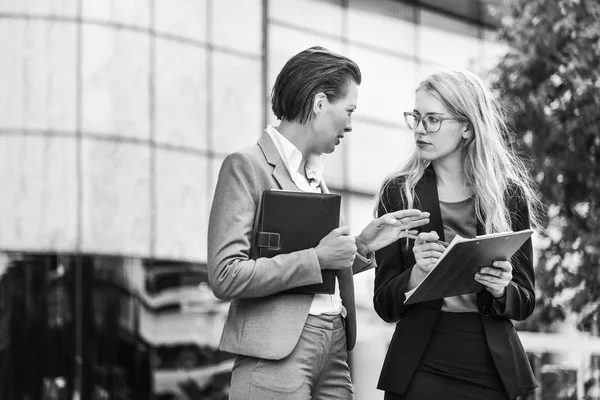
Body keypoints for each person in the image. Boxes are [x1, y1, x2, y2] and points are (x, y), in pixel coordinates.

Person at [207, 46, 430, 400]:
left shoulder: (314, 177)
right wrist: (317, 258)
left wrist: (363, 246)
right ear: (320, 102)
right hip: (275, 353)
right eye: (349, 110)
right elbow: (225, 274)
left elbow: (321, 262)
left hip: (335, 344)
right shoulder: (246, 166)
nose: (351, 125)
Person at [373, 69, 543, 400]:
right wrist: (416, 274)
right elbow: (384, 304)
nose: (420, 130)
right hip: (420, 363)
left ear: (466, 126)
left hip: (491, 365)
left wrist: (501, 289)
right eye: (416, 118)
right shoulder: (398, 193)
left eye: (433, 120)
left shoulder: (507, 195)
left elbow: (525, 301)